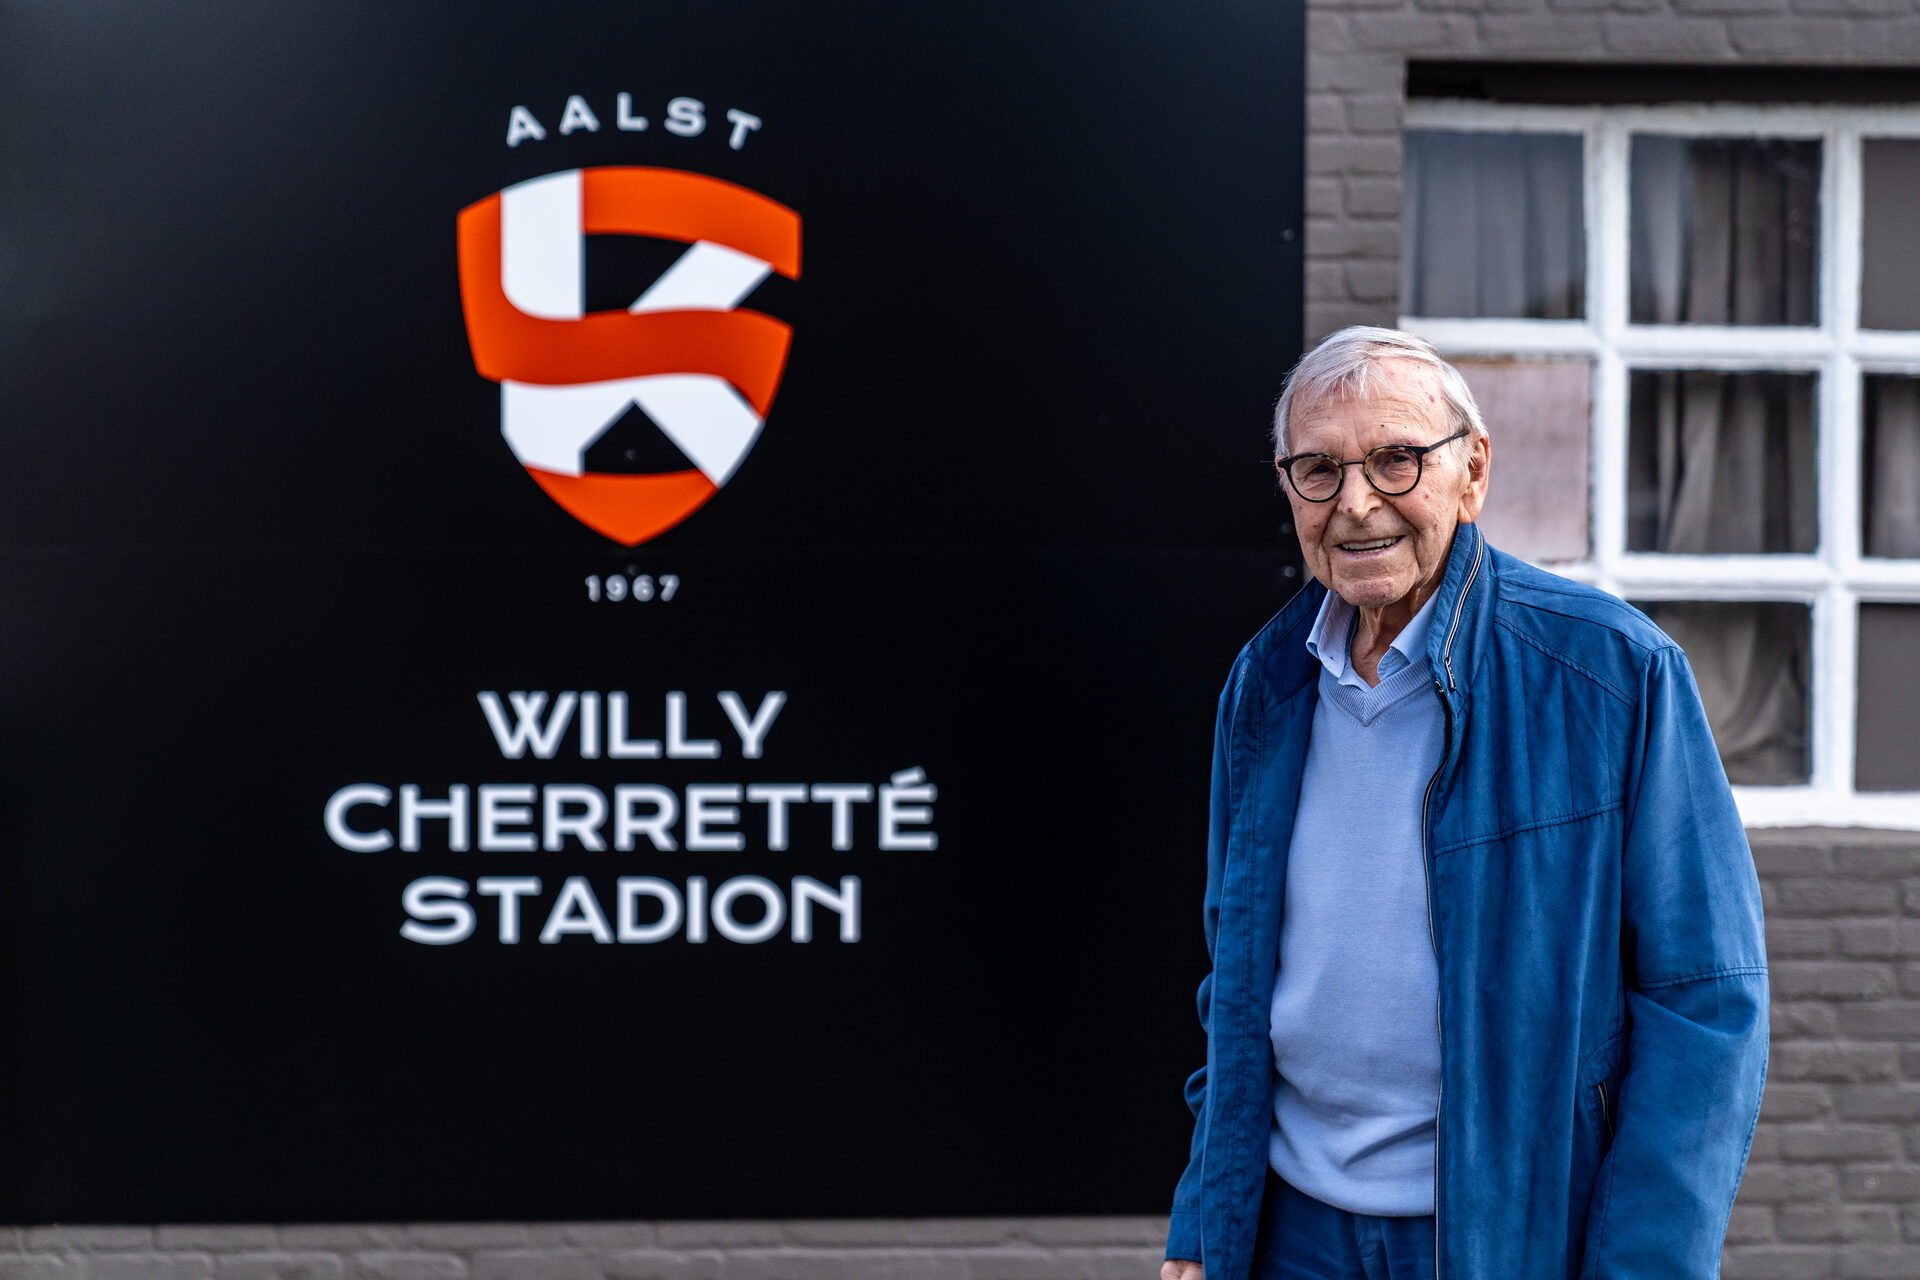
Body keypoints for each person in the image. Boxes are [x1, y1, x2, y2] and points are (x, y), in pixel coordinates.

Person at [1162, 327, 1768, 1280]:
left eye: (1395, 459)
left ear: (1472, 471)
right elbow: (1232, 985)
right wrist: (1207, 1222)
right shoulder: (1266, 684)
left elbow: (1706, 1004)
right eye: (1319, 470)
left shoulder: (1614, 675)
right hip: (1291, 1231)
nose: (1356, 503)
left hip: (1500, 1234)